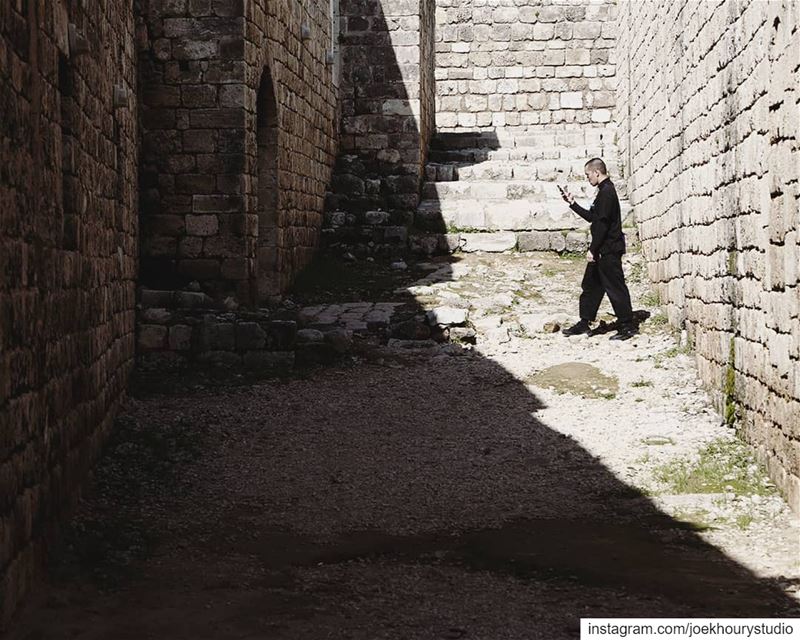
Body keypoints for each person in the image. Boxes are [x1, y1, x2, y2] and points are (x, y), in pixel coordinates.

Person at [558, 158, 636, 341]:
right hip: (602, 248)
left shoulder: (607, 192)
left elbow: (601, 225)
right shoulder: (603, 192)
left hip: (608, 249)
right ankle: (584, 322)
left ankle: (627, 325)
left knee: (615, 287)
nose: (587, 179)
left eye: (588, 175)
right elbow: (593, 217)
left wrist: (593, 249)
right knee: (591, 286)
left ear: (596, 172)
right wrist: (572, 204)